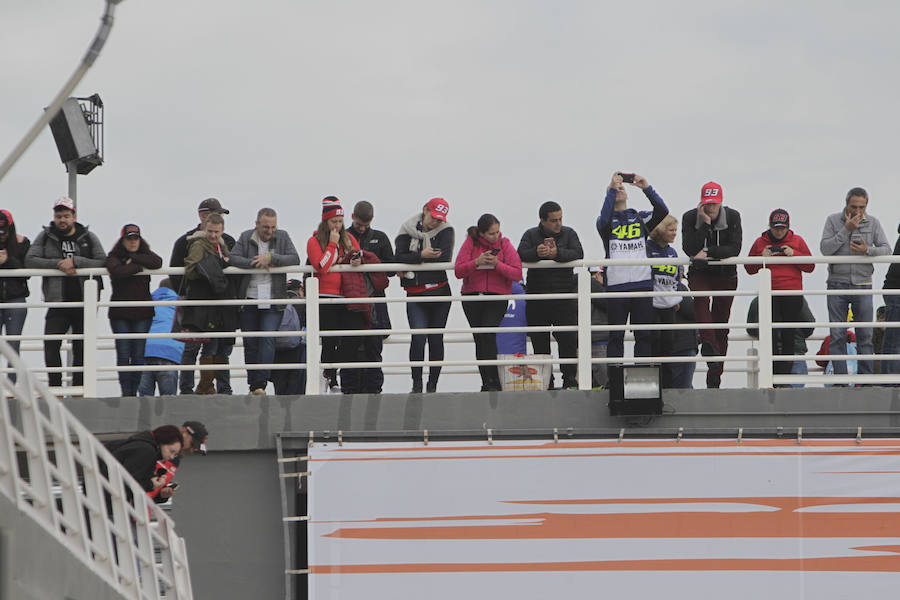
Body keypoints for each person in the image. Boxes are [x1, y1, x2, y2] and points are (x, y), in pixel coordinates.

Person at [25, 197, 105, 388]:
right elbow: (30, 260)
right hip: (58, 301)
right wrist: (58, 264)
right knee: (51, 344)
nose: (62, 220)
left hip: (84, 301)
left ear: (74, 216)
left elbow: (103, 261)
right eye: (58, 216)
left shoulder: (88, 236)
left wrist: (76, 261)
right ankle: (56, 389)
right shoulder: (45, 236)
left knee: (81, 348)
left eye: (66, 216)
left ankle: (78, 389)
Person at [597, 172, 669, 361]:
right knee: (615, 336)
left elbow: (662, 211)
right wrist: (611, 190)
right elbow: (603, 220)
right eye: (615, 189)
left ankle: (642, 376)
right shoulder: (605, 222)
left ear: (628, 194)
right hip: (616, 287)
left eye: (621, 188)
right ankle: (614, 379)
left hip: (642, 285)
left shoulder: (639, 217)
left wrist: (647, 188)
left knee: (644, 335)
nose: (619, 190)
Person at [820, 187, 892, 377]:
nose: (858, 212)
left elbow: (886, 249)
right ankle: (841, 381)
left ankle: (866, 380)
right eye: (854, 207)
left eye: (862, 207)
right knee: (837, 336)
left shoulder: (873, 223)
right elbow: (825, 249)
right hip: (837, 283)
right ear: (846, 205)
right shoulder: (833, 220)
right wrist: (846, 230)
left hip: (863, 284)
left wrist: (868, 250)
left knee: (865, 336)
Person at [229, 208, 301, 395]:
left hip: (274, 299)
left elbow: (295, 258)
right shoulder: (246, 237)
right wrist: (255, 263)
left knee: (268, 338)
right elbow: (232, 258)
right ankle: (254, 386)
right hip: (250, 298)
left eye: (273, 227)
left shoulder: (283, 236)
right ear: (257, 224)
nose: (270, 231)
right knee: (251, 342)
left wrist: (271, 258)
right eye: (266, 227)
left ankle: (260, 383)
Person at [169, 198, 236, 395]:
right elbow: (176, 271)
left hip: (219, 301)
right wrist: (183, 295)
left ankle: (217, 387)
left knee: (218, 346)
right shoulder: (187, 241)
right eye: (216, 214)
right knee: (192, 346)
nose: (218, 218)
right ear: (202, 215)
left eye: (220, 216)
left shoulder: (227, 241)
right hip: (196, 300)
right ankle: (188, 388)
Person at [517, 201, 584, 389]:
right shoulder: (530, 234)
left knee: (568, 341)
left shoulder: (569, 233)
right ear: (543, 221)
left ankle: (570, 381)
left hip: (564, 297)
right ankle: (547, 382)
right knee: (540, 343)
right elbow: (520, 254)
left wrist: (557, 253)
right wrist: (537, 253)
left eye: (560, 219)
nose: (558, 223)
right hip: (538, 298)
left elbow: (579, 252)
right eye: (554, 220)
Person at [682, 182, 742, 389]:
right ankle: (707, 344)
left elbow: (734, 248)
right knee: (700, 299)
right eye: (707, 204)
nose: (711, 208)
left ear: (721, 202)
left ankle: (715, 375)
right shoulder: (690, 217)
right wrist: (705, 224)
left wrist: (709, 252)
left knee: (721, 326)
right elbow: (689, 248)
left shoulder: (733, 216)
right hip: (700, 273)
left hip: (726, 274)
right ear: (701, 203)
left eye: (714, 204)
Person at [454, 214, 523, 392]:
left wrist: (497, 264)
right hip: (472, 296)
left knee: (488, 334)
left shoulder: (504, 243)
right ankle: (486, 381)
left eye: (497, 232)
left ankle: (494, 381)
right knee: (480, 339)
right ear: (482, 234)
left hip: (497, 296)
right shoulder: (471, 242)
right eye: (492, 233)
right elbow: (459, 270)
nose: (496, 236)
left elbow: (517, 273)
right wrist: (476, 262)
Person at [745, 209, 815, 380]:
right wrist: (761, 257)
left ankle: (785, 377)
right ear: (770, 226)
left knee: (789, 334)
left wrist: (794, 254)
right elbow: (748, 269)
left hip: (792, 293)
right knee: (771, 334)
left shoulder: (797, 241)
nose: (779, 232)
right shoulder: (760, 242)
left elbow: (811, 267)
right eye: (776, 228)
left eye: (782, 228)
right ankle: (773, 375)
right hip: (769, 293)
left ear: (788, 227)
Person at [395, 197, 455, 393]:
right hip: (416, 293)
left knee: (436, 339)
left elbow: (444, 257)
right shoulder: (407, 228)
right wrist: (421, 256)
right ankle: (417, 384)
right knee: (418, 338)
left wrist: (414, 259)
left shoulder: (446, 230)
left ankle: (432, 386)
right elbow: (398, 257)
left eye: (440, 219)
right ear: (425, 211)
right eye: (433, 217)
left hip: (440, 292)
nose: (435, 222)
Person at [307, 197, 365, 393]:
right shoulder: (314, 240)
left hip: (347, 295)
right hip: (325, 295)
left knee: (354, 335)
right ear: (326, 221)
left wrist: (357, 260)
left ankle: (330, 369)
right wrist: (332, 245)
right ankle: (331, 377)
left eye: (340, 222)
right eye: (334, 222)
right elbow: (321, 266)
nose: (338, 225)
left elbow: (359, 253)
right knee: (330, 339)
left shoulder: (348, 238)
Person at [105, 224, 163, 396]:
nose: (132, 242)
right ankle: (126, 393)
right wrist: (138, 267)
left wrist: (135, 260)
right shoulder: (114, 256)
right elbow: (117, 271)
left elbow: (157, 262)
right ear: (123, 240)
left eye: (135, 238)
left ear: (140, 239)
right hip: (120, 314)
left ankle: (133, 393)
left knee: (138, 355)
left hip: (142, 314)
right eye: (129, 239)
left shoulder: (145, 255)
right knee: (123, 354)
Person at [347, 200, 394, 393]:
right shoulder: (343, 237)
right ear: (352, 217)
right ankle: (349, 389)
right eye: (359, 224)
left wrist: (369, 261)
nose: (362, 228)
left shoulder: (380, 238)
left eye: (365, 225)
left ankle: (374, 390)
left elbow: (391, 267)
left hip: (374, 298)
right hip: (350, 300)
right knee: (349, 344)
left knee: (374, 346)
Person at [647, 215, 683, 387]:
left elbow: (677, 277)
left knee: (669, 343)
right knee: (653, 340)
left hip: (668, 305)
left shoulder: (672, 252)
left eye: (676, 230)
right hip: (651, 304)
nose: (675, 233)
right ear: (660, 230)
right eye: (671, 230)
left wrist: (675, 297)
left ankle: (667, 383)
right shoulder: (647, 248)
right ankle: (651, 380)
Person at [747, 296, 815, 387]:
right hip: (795, 353)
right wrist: (797, 334)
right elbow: (809, 325)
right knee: (794, 397)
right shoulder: (796, 298)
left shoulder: (758, 301)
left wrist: (765, 334)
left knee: (773, 397)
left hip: (769, 358)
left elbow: (751, 329)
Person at [138, 279, 184, 396]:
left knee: (144, 404)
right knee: (169, 402)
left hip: (144, 353)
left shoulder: (146, 302)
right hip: (169, 353)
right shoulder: (180, 303)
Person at [0, 209, 31, 381]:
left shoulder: (22, 243)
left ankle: (11, 388)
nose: (1, 236)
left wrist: (8, 261)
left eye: (4, 232)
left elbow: (27, 272)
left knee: (13, 346)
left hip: (15, 299)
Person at [110, 425, 183, 493]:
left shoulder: (140, 443)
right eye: (171, 451)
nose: (171, 457)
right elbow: (128, 482)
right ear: (162, 441)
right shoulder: (147, 451)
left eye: (175, 454)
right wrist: (151, 484)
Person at [271, 279, 306, 395]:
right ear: (300, 290)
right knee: (296, 388)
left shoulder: (278, 303)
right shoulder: (303, 304)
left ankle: (281, 409)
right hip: (297, 349)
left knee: (280, 387)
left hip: (278, 348)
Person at [669, 283, 700, 388]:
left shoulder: (655, 285)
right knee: (683, 392)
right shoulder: (678, 287)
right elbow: (692, 312)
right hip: (682, 346)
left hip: (671, 345)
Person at [880, 222, 900, 378]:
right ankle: (890, 379)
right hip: (896, 290)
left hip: (893, 288)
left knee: (894, 338)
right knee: (894, 338)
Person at [589, 268, 609, 389]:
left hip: (589, 343)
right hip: (600, 342)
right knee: (604, 387)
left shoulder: (578, 288)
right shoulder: (605, 292)